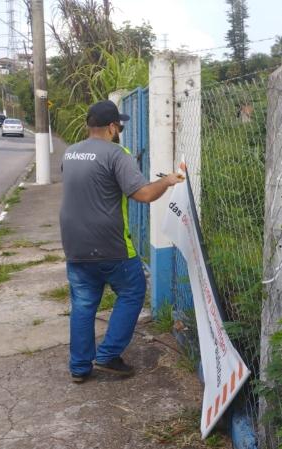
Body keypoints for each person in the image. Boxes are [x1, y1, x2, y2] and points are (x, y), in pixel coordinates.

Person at [60, 100, 184, 383]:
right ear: (113, 127)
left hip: (74, 244)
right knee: (132, 290)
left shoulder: (69, 153)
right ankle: (108, 354)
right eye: (120, 126)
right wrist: (167, 182)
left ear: (87, 126)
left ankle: (79, 368)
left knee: (83, 303)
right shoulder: (118, 153)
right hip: (110, 244)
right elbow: (143, 195)